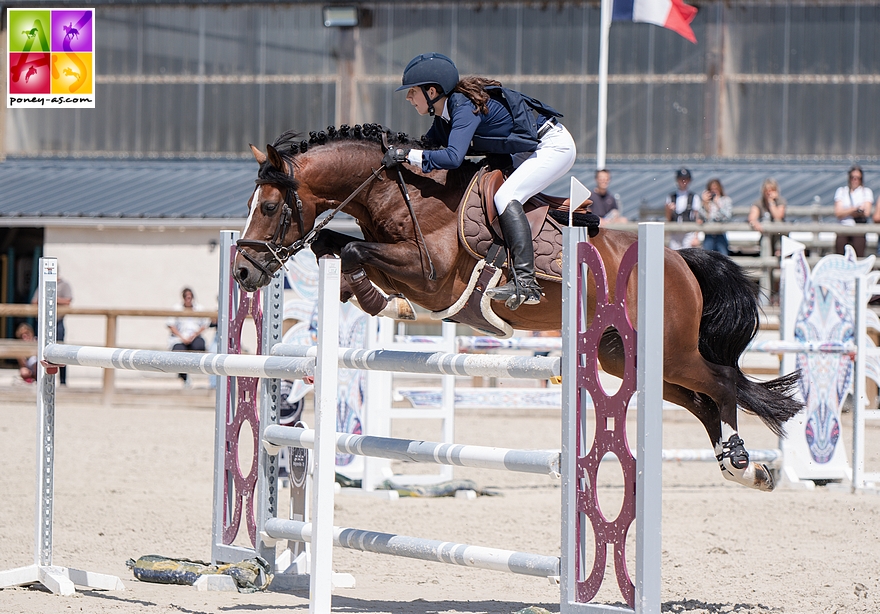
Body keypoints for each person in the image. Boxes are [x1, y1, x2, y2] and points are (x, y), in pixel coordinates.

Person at [384, 52, 577, 310]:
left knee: (506, 196)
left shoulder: (463, 107)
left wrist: (407, 155)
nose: (408, 98)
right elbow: (426, 147)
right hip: (524, 151)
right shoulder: (443, 118)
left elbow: (452, 158)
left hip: (553, 146)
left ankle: (526, 282)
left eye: (412, 92)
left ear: (431, 92)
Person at [31, 274, 73, 385]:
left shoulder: (64, 285)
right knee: (41, 351)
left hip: (57, 322)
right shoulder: (42, 285)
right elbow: (34, 301)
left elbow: (68, 301)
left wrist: (52, 298)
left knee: (61, 351)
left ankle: (63, 381)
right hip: (42, 322)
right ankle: (40, 379)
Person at [167, 287, 210, 386]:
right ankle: (184, 376)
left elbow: (205, 324)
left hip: (194, 337)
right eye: (187, 297)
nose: (188, 300)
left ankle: (192, 371)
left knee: (200, 345)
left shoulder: (199, 308)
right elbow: (170, 325)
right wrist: (182, 337)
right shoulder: (176, 308)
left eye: (190, 297)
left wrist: (195, 334)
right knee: (178, 352)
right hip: (179, 338)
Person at [835, 165, 873, 256]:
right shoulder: (841, 191)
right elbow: (838, 212)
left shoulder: (866, 192)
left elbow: (866, 212)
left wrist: (846, 211)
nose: (855, 180)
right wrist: (853, 210)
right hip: (844, 228)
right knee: (840, 255)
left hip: (858, 228)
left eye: (858, 178)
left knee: (858, 255)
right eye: (853, 178)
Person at [748, 177, 787, 257]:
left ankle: (778, 250)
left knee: (777, 223)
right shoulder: (759, 202)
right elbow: (752, 217)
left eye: (772, 190)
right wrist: (755, 223)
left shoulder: (780, 201)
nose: (769, 193)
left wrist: (771, 203)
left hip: (779, 235)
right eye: (767, 190)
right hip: (765, 234)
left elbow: (778, 216)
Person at [665, 168, 702, 250]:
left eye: (686, 179)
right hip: (675, 231)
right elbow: (668, 218)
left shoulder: (694, 197)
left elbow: (697, 217)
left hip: (688, 232)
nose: (683, 181)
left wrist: (696, 236)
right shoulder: (671, 197)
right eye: (681, 179)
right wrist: (668, 210)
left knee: (688, 255)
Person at [700, 178, 733, 255]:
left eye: (716, 189)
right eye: (712, 190)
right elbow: (701, 218)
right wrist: (704, 204)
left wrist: (718, 205)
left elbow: (727, 217)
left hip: (721, 233)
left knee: (723, 259)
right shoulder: (706, 202)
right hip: (709, 234)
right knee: (707, 259)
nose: (714, 191)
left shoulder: (726, 200)